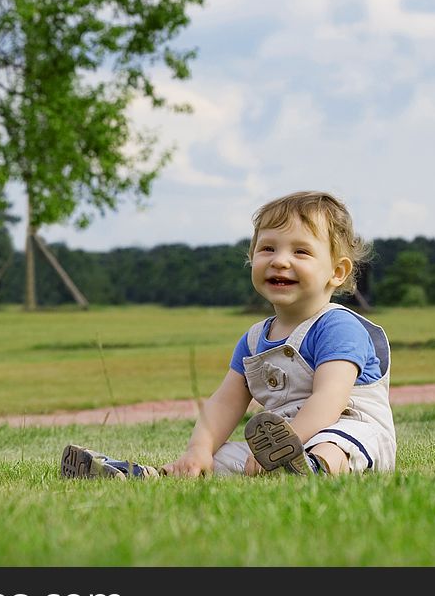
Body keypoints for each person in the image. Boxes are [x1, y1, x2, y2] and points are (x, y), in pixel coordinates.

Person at [60, 191, 396, 479]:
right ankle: (145, 475)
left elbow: (329, 400)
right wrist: (199, 449)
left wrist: (288, 443)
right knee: (219, 461)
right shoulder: (253, 340)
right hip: (280, 446)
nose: (280, 261)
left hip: (348, 430)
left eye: (300, 252)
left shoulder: (338, 327)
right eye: (267, 249)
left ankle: (313, 468)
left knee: (338, 441)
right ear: (251, 258)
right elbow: (223, 403)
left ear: (337, 271)